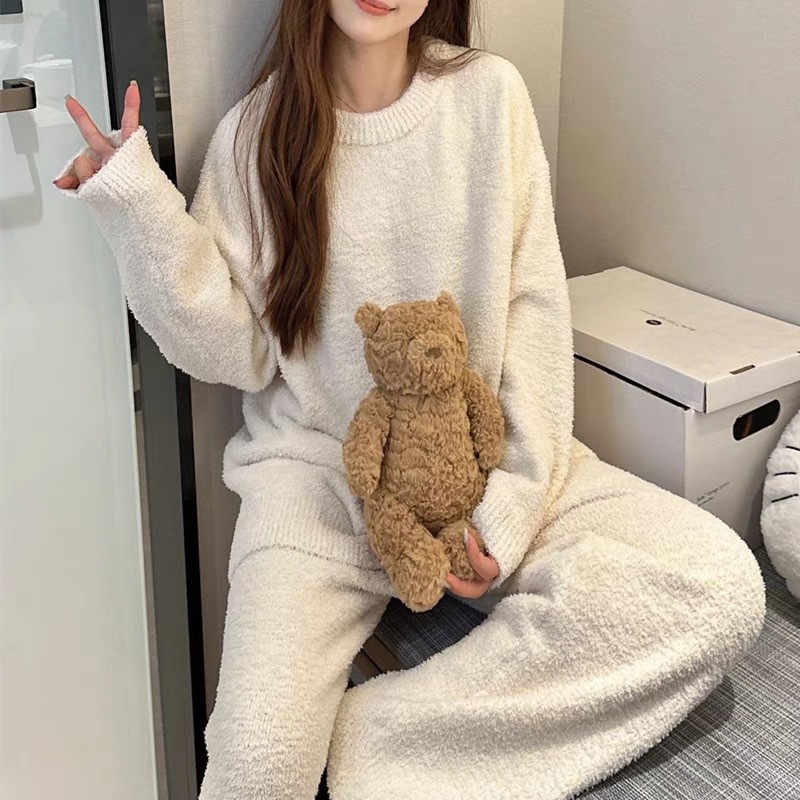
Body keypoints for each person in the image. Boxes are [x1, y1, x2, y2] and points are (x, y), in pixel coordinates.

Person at [53, 1, 766, 798]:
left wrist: (505, 509)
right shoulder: (255, 134)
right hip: (320, 480)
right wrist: (138, 210)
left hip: (477, 462)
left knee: (719, 586)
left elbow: (534, 313)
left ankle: (373, 743)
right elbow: (237, 355)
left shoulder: (490, 97)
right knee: (256, 768)